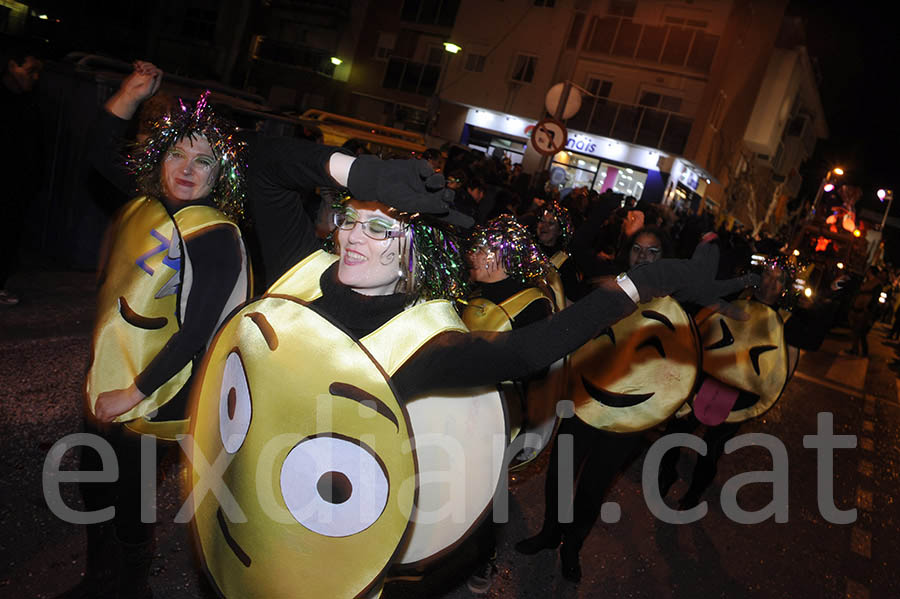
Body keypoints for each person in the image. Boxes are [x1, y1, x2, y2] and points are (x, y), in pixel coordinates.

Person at [188, 127, 757, 597]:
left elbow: (531, 349)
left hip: (320, 539)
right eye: (350, 219)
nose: (354, 236)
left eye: (382, 226)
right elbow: (264, 158)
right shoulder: (300, 272)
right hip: (242, 495)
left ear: (417, 252)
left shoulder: (425, 343)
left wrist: (639, 284)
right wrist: (360, 175)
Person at [61, 61, 251, 599]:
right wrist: (129, 94)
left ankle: (127, 589)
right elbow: (96, 151)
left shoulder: (213, 234)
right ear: (159, 159)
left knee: (127, 501)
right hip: (109, 373)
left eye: (204, 162)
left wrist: (132, 394)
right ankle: (97, 582)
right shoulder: (146, 204)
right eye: (178, 154)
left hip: (153, 391)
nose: (188, 170)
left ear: (219, 176)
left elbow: (196, 334)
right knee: (91, 485)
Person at [0, 43, 43, 306]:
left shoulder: (30, 103)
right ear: (12, 66)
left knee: (8, 235)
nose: (34, 77)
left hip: (16, 186)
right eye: (30, 70)